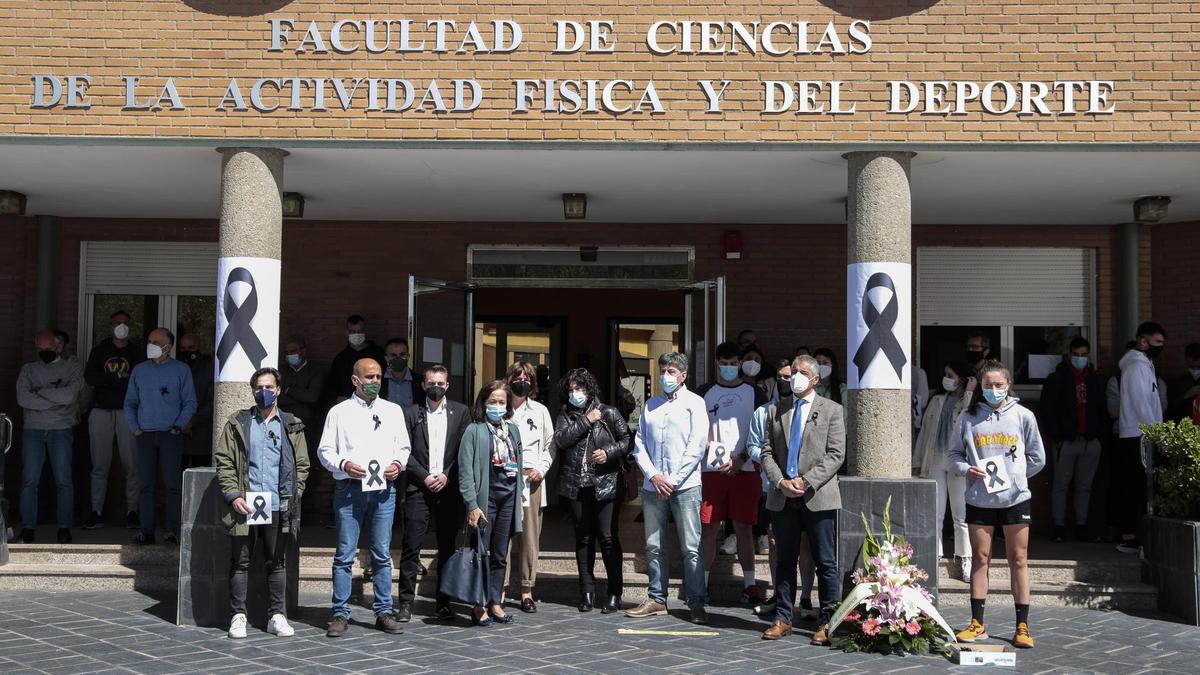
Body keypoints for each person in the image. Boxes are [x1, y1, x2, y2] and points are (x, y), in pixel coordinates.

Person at [951, 360, 1046, 650]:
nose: (994, 390)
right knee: (980, 558)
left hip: (1015, 499)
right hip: (979, 498)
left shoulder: (1023, 416)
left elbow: (1037, 456)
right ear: (980, 386)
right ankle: (977, 623)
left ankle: (1022, 625)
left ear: (1008, 386)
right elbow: (954, 454)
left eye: (999, 385)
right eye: (988, 385)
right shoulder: (968, 417)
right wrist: (967, 470)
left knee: (1018, 559)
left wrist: (1015, 479)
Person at [214, 367, 309, 639]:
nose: (263, 392)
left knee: (276, 561)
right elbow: (225, 462)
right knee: (240, 562)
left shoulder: (291, 424)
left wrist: (294, 493)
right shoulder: (237, 422)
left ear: (278, 390)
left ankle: (276, 616)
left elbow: (302, 465)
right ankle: (238, 616)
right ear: (252, 390)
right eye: (258, 388)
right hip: (245, 503)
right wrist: (234, 495)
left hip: (278, 504)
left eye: (268, 387)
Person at [319, 358, 410, 637]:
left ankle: (383, 611)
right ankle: (340, 613)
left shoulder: (393, 411)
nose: (375, 382)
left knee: (382, 554)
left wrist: (397, 463)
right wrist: (344, 464)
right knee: (345, 554)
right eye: (369, 377)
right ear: (355, 380)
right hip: (349, 489)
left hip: (383, 491)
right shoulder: (339, 412)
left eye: (378, 377)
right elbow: (325, 451)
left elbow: (403, 446)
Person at [759, 354, 846, 644]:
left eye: (802, 372)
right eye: (793, 371)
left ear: (815, 379)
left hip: (817, 496)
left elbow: (836, 454)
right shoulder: (777, 410)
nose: (795, 376)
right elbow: (767, 452)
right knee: (785, 559)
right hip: (783, 497)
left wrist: (806, 481)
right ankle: (783, 617)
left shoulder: (832, 410)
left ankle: (827, 621)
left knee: (825, 562)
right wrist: (781, 481)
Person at [626, 352, 710, 625]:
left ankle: (696, 602)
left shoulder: (695, 404)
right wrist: (653, 476)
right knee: (653, 545)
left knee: (691, 547)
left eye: (672, 371)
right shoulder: (651, 404)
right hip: (653, 487)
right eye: (663, 370)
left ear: (684, 375)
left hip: (685, 486)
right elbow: (639, 444)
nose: (666, 375)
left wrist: (671, 479)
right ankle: (657, 598)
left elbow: (696, 446)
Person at [397, 364, 471, 623]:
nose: (435, 387)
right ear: (423, 385)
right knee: (411, 548)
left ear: (447, 385)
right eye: (431, 383)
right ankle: (405, 602)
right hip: (419, 487)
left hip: (448, 490)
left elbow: (464, 450)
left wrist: (447, 475)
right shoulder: (410, 413)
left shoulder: (461, 412)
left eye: (440, 383)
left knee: (447, 548)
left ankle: (443, 602)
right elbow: (403, 450)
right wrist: (425, 476)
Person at [554, 367, 630, 613]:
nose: (575, 394)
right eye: (571, 390)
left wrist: (608, 452)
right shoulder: (566, 414)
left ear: (589, 390)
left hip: (606, 483)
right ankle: (586, 591)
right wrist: (587, 420)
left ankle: (614, 592)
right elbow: (562, 439)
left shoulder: (608, 411)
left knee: (607, 538)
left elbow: (628, 440)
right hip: (576, 484)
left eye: (580, 389)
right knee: (583, 538)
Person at [697, 341, 767, 605]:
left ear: (740, 364)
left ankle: (749, 584)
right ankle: (700, 585)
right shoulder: (703, 392)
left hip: (746, 470)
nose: (728, 368)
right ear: (717, 363)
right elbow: (696, 427)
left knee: (744, 529)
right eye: (724, 364)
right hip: (711, 471)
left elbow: (763, 431)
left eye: (733, 364)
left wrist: (742, 458)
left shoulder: (755, 393)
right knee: (709, 529)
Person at [459, 379, 526, 627]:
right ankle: (478, 606)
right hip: (484, 500)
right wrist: (471, 504)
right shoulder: (474, 431)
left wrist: (519, 499)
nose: (497, 406)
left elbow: (518, 468)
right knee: (481, 554)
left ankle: (495, 601)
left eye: (501, 402)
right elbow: (465, 471)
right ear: (483, 403)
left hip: (508, 498)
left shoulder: (513, 431)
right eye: (492, 402)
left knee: (500, 554)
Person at [125, 328, 197, 545]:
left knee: (173, 484)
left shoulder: (181, 370)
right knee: (146, 484)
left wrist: (178, 426)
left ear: (168, 347)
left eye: (156, 341)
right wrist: (135, 428)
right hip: (145, 435)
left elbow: (190, 402)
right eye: (149, 340)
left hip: (170, 435)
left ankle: (172, 531)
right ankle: (146, 531)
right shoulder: (139, 370)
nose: (151, 344)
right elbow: (130, 402)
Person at [16, 330, 83, 544]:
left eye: (49, 348)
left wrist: (39, 392)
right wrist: (57, 401)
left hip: (61, 430)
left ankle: (64, 528)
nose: (44, 352)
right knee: (29, 480)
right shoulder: (28, 369)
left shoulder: (72, 367)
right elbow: (23, 399)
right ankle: (28, 529)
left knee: (64, 480)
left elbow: (70, 396)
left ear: (59, 347)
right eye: (41, 349)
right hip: (33, 430)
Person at [1039, 338, 1108, 543]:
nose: (1080, 358)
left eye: (1084, 354)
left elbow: (1102, 410)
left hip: (1091, 440)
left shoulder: (1095, 380)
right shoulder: (1057, 378)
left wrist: (1099, 437)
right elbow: (1047, 410)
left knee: (1084, 486)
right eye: (1076, 354)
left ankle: (1081, 526)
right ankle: (1059, 527)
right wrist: (1057, 437)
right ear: (1069, 355)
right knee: (1061, 484)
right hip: (1066, 441)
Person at [913, 360, 976, 580]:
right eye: (946, 374)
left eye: (951, 374)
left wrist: (969, 393)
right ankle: (935, 557)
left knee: (961, 514)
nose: (946, 378)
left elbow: (967, 422)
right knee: (935, 513)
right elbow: (924, 434)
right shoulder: (937, 400)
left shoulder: (969, 403)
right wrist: (917, 460)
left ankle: (965, 558)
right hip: (935, 459)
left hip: (959, 461)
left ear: (963, 378)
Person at [83, 309, 145, 530]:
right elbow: (90, 377)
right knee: (99, 466)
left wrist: (107, 380)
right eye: (117, 322)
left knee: (132, 466)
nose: (121, 325)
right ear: (111, 326)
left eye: (125, 322)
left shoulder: (137, 352)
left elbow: (138, 382)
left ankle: (132, 511)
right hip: (100, 411)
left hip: (128, 413)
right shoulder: (100, 350)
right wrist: (118, 379)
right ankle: (96, 511)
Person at [505, 362, 556, 613]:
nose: (521, 381)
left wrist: (542, 469)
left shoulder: (540, 411)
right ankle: (499, 589)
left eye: (526, 378)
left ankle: (527, 590)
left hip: (531, 479)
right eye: (517, 376)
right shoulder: (498, 407)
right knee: (502, 536)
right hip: (503, 478)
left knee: (529, 538)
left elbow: (550, 445)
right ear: (509, 379)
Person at [1114, 321, 1167, 554]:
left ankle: (1136, 535)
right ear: (1143, 340)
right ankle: (1131, 536)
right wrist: (1157, 434)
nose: (1160, 347)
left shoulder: (1144, 364)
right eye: (1157, 342)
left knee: (1139, 486)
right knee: (1136, 487)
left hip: (1142, 432)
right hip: (1138, 433)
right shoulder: (1136, 366)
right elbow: (1142, 403)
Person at [324, 314, 387, 405]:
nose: (356, 335)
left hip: (374, 403)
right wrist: (337, 398)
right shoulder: (341, 358)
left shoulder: (378, 354)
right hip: (347, 404)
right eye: (352, 331)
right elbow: (332, 384)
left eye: (360, 331)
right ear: (347, 332)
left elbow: (385, 380)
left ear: (365, 331)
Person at [279, 337, 325, 448]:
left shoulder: (316, 370)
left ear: (303, 351)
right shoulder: (281, 371)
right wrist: (302, 395)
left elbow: (312, 397)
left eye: (293, 351)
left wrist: (288, 390)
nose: (290, 355)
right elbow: (279, 398)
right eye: (287, 352)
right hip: (284, 422)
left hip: (307, 423)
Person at [178, 333, 214, 468]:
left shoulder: (209, 370)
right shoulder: (175, 369)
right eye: (183, 349)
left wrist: (192, 422)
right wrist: (181, 423)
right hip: (178, 435)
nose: (187, 352)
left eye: (191, 348)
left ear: (199, 347)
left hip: (201, 435)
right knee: (176, 480)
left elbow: (212, 402)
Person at [383, 337, 425, 409]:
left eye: (402, 354)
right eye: (393, 355)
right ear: (386, 358)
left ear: (408, 356)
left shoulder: (420, 381)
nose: (398, 358)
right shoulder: (378, 380)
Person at [1166, 342, 1200, 422]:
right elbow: (1169, 410)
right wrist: (1186, 396)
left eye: (1199, 367)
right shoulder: (1176, 382)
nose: (1195, 370)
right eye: (1191, 367)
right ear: (1186, 361)